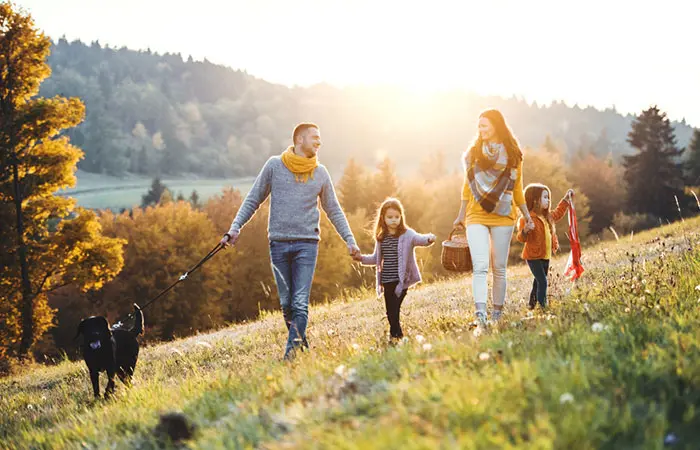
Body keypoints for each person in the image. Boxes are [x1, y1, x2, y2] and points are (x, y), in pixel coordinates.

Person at [220, 123, 360, 360]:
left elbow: (334, 210)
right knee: (286, 304)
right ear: (299, 139)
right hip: (278, 244)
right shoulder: (275, 166)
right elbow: (254, 198)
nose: (319, 142)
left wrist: (350, 240)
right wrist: (235, 227)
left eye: (319, 138)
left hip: (307, 245)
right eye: (315, 137)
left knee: (299, 302)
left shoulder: (321, 173)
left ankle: (290, 358)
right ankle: (302, 347)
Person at [453, 109, 534, 325]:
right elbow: (467, 187)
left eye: (485, 126)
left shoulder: (513, 154)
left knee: (499, 268)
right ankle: (480, 315)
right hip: (475, 215)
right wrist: (461, 214)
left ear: (496, 126)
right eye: (479, 126)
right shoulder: (473, 153)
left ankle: (497, 314)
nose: (481, 130)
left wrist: (527, 216)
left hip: (504, 215)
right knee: (480, 266)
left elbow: (518, 188)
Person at [356, 198, 436, 342]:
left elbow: (420, 239)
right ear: (383, 218)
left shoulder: (408, 234)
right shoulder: (381, 238)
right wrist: (361, 258)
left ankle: (396, 336)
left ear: (401, 217)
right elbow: (376, 259)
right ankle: (396, 336)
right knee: (390, 311)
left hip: (401, 280)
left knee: (394, 309)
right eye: (390, 217)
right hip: (387, 280)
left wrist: (429, 239)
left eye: (396, 217)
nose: (394, 220)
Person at [516, 184, 574, 309]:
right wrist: (525, 230)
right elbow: (521, 238)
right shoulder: (527, 219)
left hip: (545, 255)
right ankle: (543, 307)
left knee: (538, 282)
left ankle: (532, 305)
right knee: (542, 281)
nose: (548, 200)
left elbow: (558, 213)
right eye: (545, 197)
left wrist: (565, 200)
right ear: (535, 200)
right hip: (533, 257)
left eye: (548, 197)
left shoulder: (547, 216)